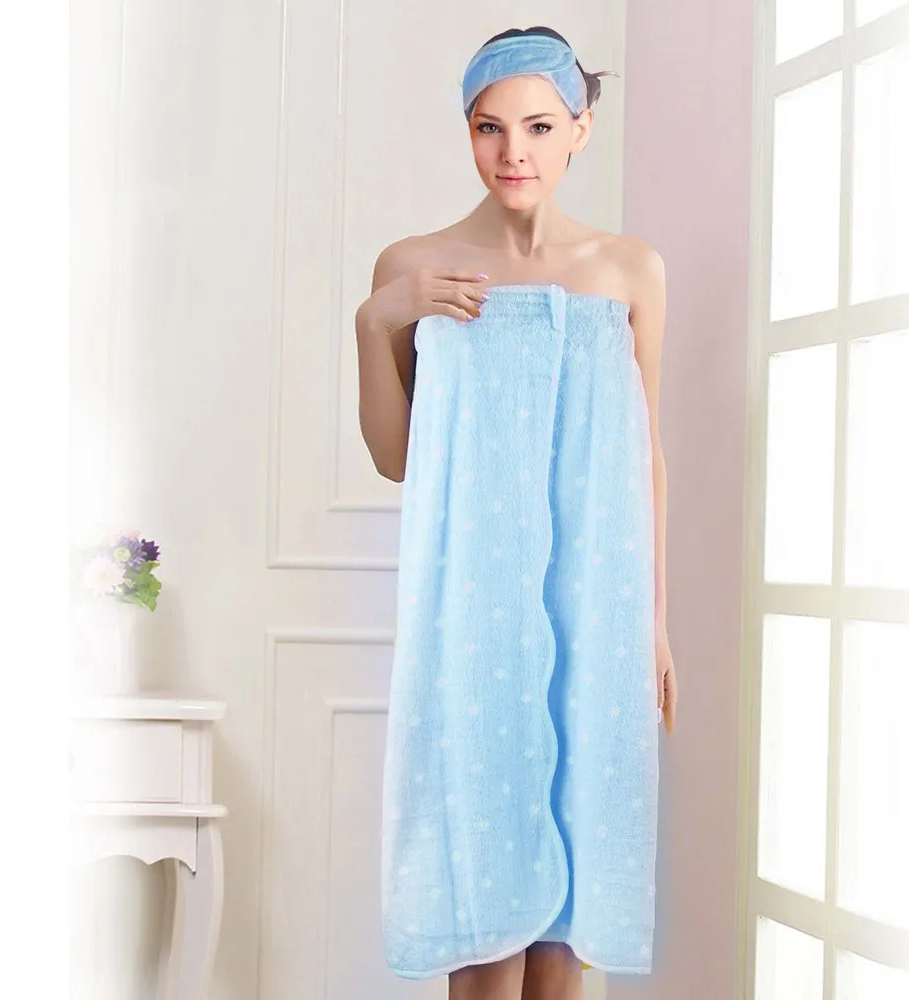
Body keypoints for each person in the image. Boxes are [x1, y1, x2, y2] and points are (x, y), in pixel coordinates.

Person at [356, 25, 676, 1000]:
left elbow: (644, 454)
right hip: (474, 614)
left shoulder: (629, 270)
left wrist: (655, 623)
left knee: (567, 932)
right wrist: (381, 317)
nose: (513, 152)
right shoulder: (418, 263)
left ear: (581, 128)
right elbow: (396, 456)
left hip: (598, 605)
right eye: (489, 127)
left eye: (538, 126)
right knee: (484, 914)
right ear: (467, 131)